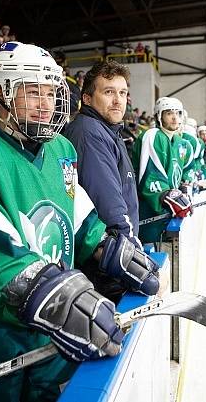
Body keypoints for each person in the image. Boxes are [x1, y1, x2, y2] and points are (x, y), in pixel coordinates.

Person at [0, 42, 159, 401]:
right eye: (32, 92)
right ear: (0, 92)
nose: (45, 103)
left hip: (46, 320)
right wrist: (59, 298)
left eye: (51, 93)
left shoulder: (60, 150)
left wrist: (109, 249)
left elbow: (79, 218)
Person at [63, 60, 141, 301]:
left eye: (122, 93)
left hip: (113, 258)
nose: (118, 100)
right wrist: (132, 253)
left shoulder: (108, 131)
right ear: (86, 99)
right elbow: (108, 205)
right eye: (108, 92)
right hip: (106, 264)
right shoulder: (89, 132)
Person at [132, 97, 192, 244]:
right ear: (159, 116)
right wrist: (166, 195)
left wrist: (183, 189)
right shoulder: (152, 136)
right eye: (169, 113)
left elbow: (182, 173)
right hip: (148, 212)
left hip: (166, 211)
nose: (174, 117)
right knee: (151, 252)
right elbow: (152, 176)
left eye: (178, 113)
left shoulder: (182, 144)